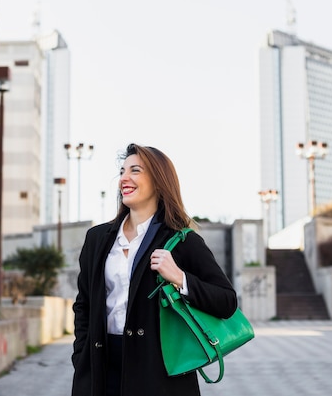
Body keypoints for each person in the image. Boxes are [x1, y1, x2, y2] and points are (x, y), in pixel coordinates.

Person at [71, 143, 238, 396]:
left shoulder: (182, 240)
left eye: (135, 170)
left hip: (159, 373)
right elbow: (83, 304)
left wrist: (180, 278)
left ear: (159, 181)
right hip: (101, 367)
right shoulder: (97, 238)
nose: (124, 178)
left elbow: (227, 301)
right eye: (122, 171)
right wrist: (81, 356)